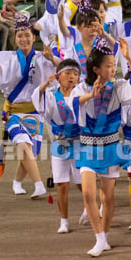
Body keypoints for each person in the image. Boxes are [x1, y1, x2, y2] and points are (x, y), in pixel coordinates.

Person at [77, 37, 131, 257]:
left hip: (110, 146)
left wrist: (128, 57)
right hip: (88, 147)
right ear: (96, 69)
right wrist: (90, 95)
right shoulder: (82, 87)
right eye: (109, 66)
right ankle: (99, 238)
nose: (113, 69)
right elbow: (74, 104)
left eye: (114, 65)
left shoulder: (118, 87)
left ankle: (105, 235)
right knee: (88, 195)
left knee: (107, 198)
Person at [0, 13, 54, 196]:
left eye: (27, 35)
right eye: (20, 35)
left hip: (35, 112)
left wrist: (52, 59)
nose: (24, 39)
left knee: (29, 150)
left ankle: (17, 182)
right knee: (23, 143)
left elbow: (64, 70)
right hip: (13, 112)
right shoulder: (8, 57)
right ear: (15, 38)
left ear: (34, 37)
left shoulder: (41, 57)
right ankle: (39, 185)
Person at [33, 58, 90, 234]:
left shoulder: (82, 94)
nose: (71, 77)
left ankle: (91, 208)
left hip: (79, 143)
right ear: (58, 76)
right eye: (67, 73)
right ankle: (64, 221)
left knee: (84, 184)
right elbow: (38, 101)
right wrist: (44, 84)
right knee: (61, 184)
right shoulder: (51, 96)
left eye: (75, 74)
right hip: (60, 144)